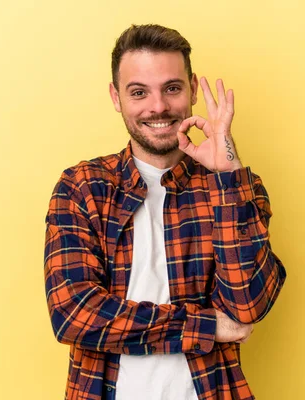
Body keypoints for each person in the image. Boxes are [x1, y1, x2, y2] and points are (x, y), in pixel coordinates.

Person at [44, 24, 287, 400]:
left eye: (172, 88)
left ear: (191, 88)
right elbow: (75, 314)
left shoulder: (235, 186)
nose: (157, 106)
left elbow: (247, 305)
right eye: (139, 92)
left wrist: (226, 175)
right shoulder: (83, 187)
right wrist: (204, 326)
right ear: (116, 96)